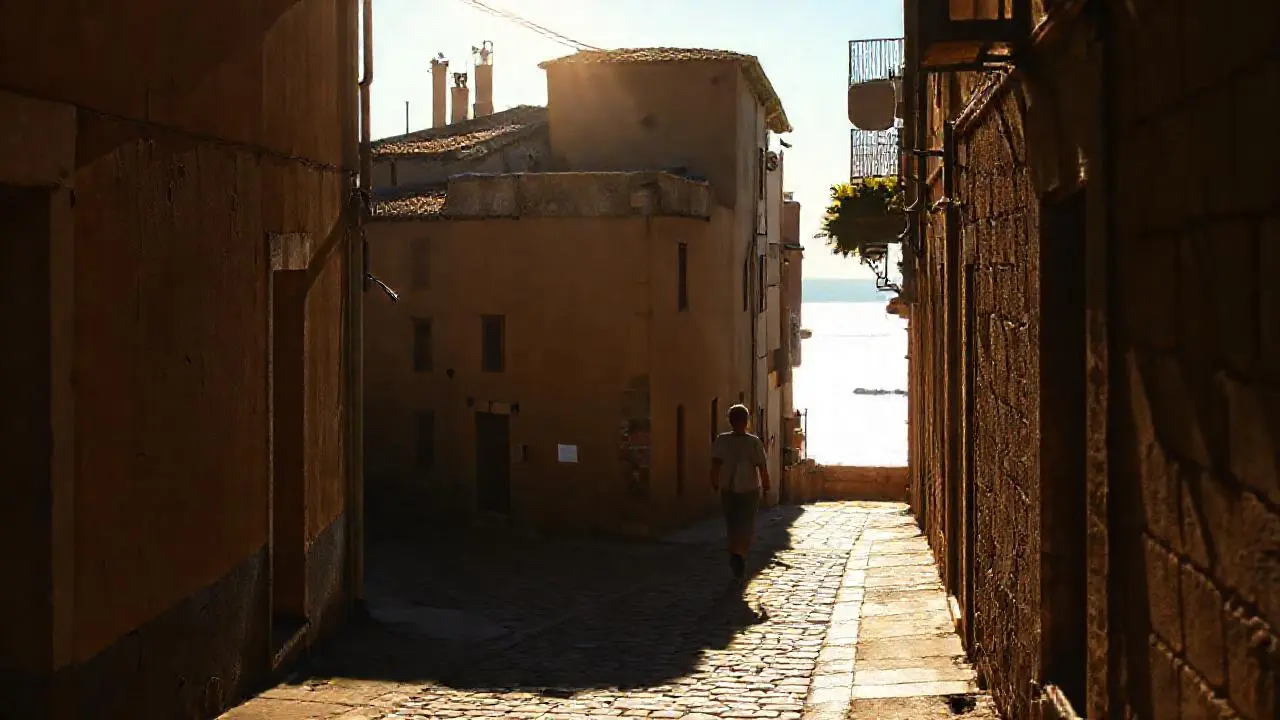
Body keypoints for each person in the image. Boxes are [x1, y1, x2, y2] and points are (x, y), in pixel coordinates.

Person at [710, 404, 771, 584]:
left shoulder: (722, 440)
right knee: (746, 525)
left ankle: (735, 555)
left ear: (731, 421)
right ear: (746, 422)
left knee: (733, 524)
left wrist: (714, 481)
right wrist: (766, 486)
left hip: (728, 488)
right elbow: (762, 467)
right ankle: (740, 556)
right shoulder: (753, 442)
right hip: (749, 488)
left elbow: (715, 465)